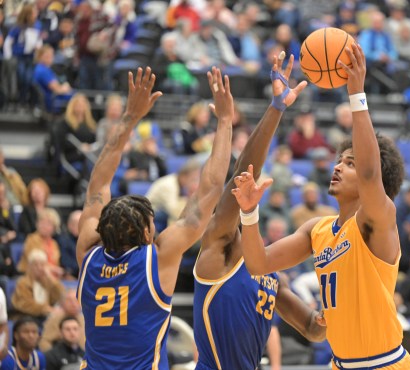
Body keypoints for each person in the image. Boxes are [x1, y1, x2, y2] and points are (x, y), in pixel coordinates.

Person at [233, 44, 410, 369]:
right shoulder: (317, 230)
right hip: (339, 364)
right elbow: (259, 264)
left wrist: (356, 94)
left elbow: (372, 173)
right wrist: (249, 212)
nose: (338, 167)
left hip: (384, 364)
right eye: (339, 160)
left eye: (350, 163)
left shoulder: (378, 218)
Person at [74, 66, 233, 369]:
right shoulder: (157, 258)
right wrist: (225, 121)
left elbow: (97, 185)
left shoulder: (87, 251)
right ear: (147, 234)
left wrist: (129, 117)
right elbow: (211, 189)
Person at [192, 53, 326, 370]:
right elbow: (244, 171)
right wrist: (277, 107)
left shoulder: (267, 272)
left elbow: (312, 329)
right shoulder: (219, 242)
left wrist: (336, 303)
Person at [12, 249, 64, 320]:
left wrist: (50, 277)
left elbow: (59, 296)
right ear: (30, 266)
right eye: (36, 265)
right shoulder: (23, 282)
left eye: (42, 265)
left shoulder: (46, 282)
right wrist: (46, 309)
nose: (39, 268)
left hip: (45, 316)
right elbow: (25, 304)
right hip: (26, 317)